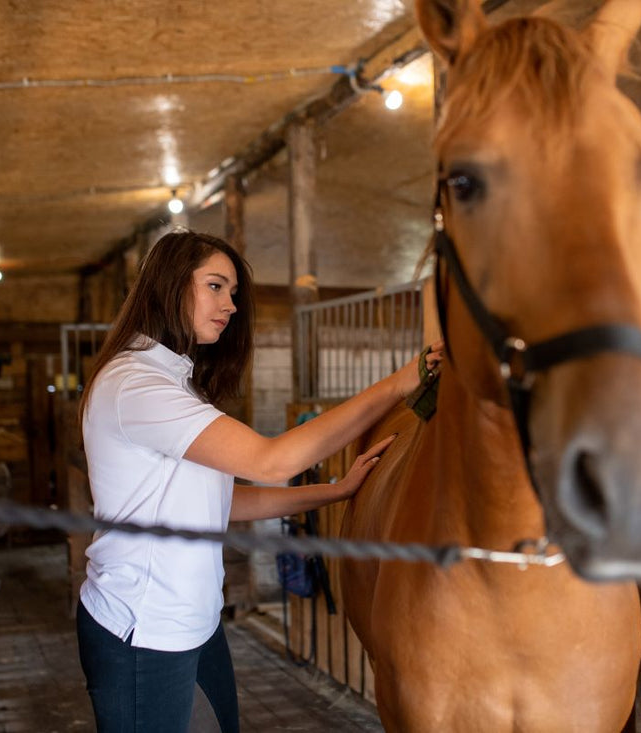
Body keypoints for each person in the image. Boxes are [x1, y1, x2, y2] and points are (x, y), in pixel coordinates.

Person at [76, 229, 442, 733]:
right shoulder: (138, 385)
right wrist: (400, 383)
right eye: (215, 286)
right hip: (144, 629)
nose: (229, 305)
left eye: (232, 293)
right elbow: (272, 461)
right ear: (169, 285)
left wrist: (334, 491)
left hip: (195, 621)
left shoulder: (174, 381)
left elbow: (220, 503)